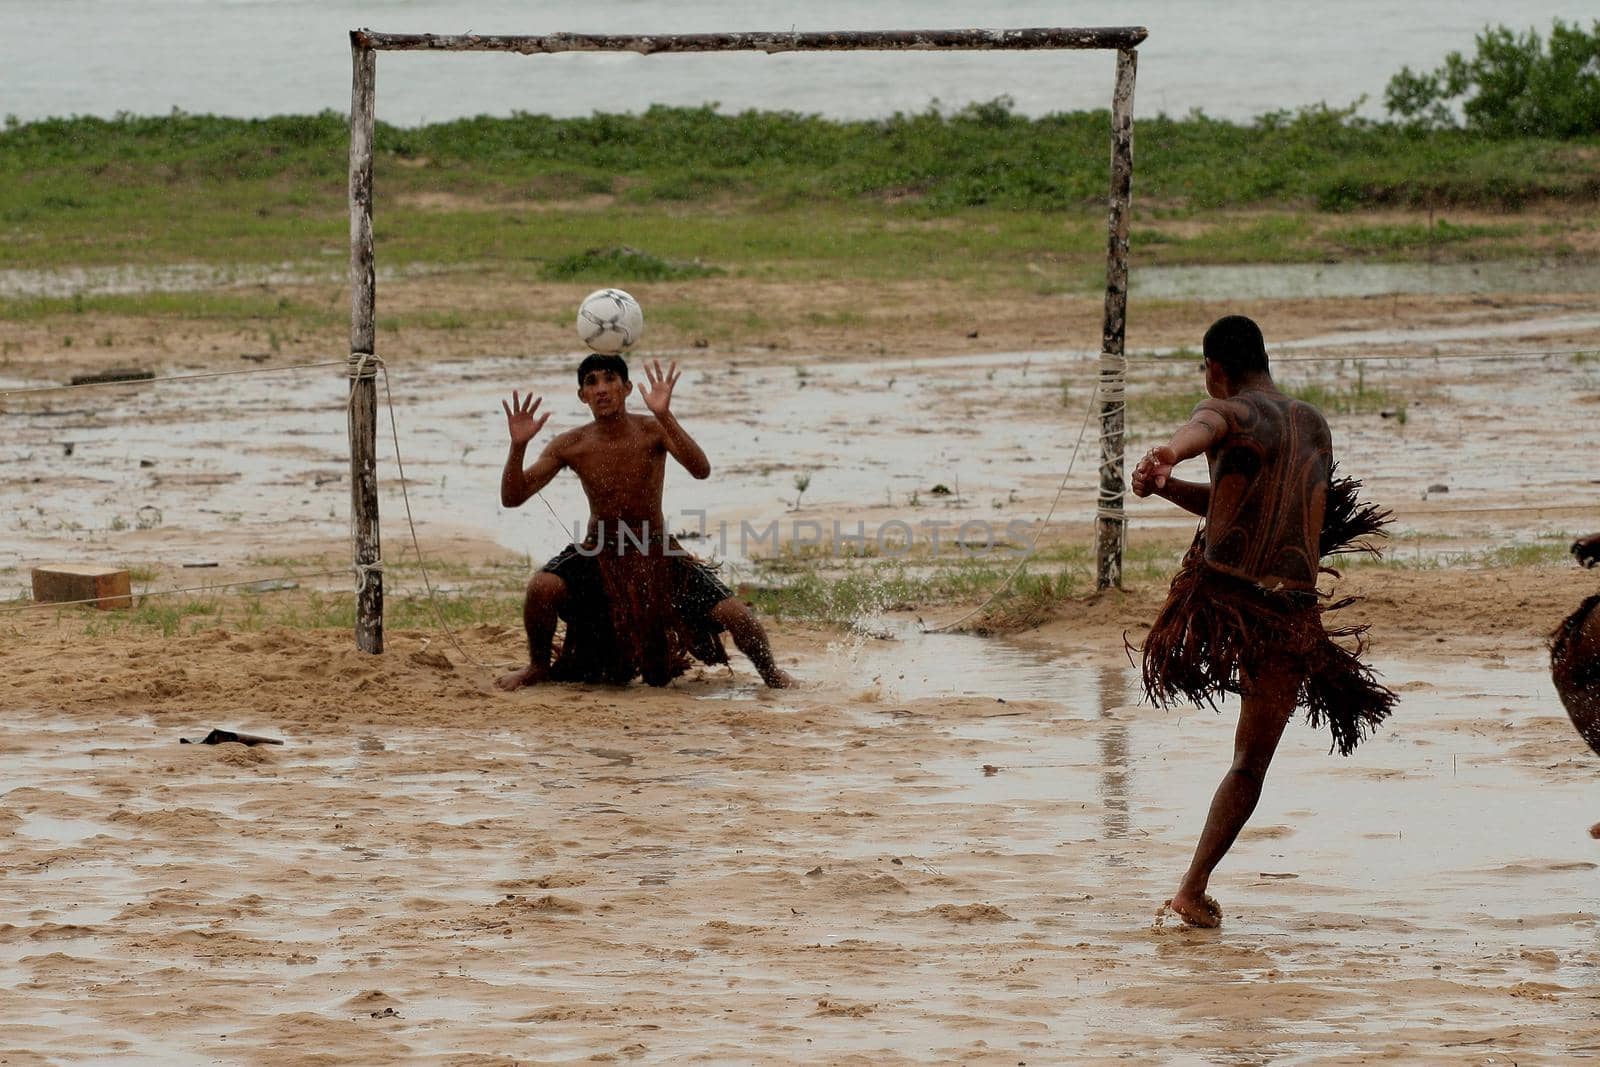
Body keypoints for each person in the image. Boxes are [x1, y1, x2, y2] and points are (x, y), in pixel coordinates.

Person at [1131, 314, 1396, 928]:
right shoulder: (1313, 425)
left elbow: (1205, 427)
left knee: (1178, 680)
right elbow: (1237, 501)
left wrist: (1167, 454)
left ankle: (1191, 891)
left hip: (1227, 601)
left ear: (1216, 369)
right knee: (1249, 763)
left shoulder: (1230, 410)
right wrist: (1171, 487)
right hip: (1290, 616)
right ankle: (1191, 887)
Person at [496, 353, 793, 691]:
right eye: (591, 382)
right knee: (542, 587)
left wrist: (664, 415)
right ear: (583, 395)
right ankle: (537, 666)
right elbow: (513, 497)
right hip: (599, 550)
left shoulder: (653, 430)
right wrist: (518, 446)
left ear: (627, 388)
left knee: (737, 616)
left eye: (610, 379)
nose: (602, 389)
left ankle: (772, 674)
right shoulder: (571, 444)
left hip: (654, 549)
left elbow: (701, 469)